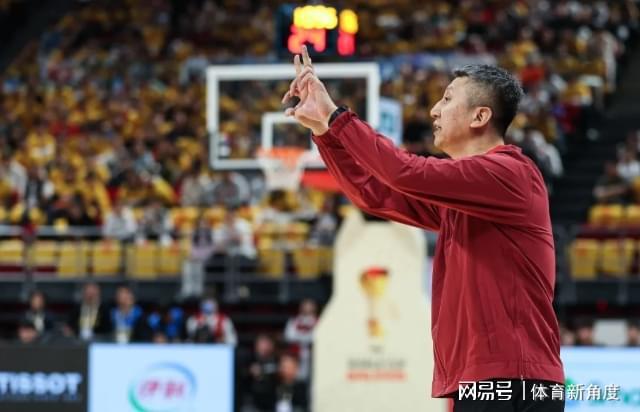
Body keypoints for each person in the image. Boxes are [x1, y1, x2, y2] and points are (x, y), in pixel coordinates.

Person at [283, 46, 564, 411]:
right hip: (486, 380)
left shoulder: (510, 173)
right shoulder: (466, 198)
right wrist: (324, 132)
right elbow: (376, 194)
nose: (434, 110)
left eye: (447, 99)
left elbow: (403, 172)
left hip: (513, 380)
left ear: (480, 116)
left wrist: (336, 116)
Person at [284, 299, 318, 380]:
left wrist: (301, 336)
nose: (308, 308)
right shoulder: (294, 321)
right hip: (296, 355)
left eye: (310, 305)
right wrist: (306, 336)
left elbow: (317, 337)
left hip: (314, 354)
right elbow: (289, 336)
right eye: (306, 305)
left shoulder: (318, 321)